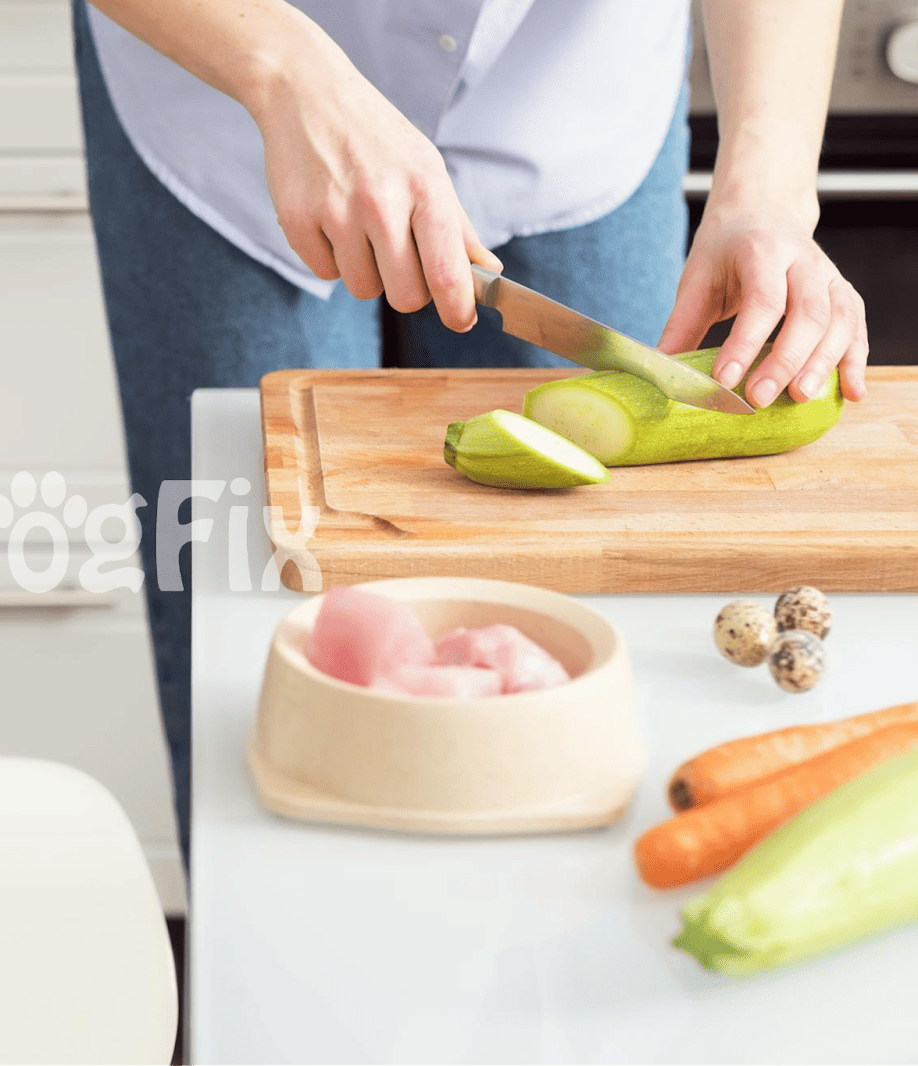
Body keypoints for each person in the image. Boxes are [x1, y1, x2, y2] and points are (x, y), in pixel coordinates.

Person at [72, 0, 870, 858]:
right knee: (251, 668)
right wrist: (283, 71)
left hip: (571, 85)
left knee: (587, 683)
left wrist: (769, 186)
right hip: (224, 80)